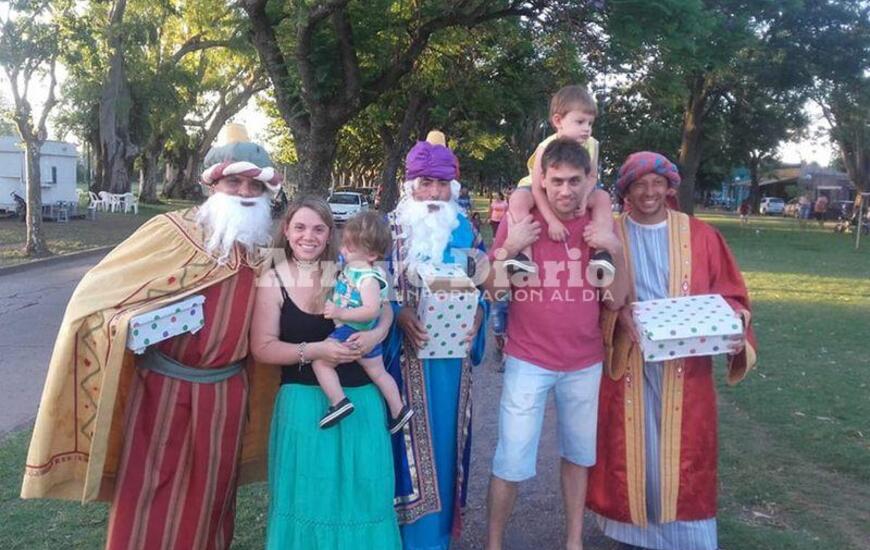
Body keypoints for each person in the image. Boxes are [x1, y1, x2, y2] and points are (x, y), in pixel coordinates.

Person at [21, 123, 282, 549]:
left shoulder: (261, 250)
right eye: (235, 180)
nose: (246, 192)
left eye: (255, 184)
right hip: (163, 389)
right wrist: (133, 326)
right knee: (150, 489)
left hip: (227, 395)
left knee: (213, 493)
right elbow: (96, 296)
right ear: (214, 183)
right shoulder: (170, 232)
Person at [587, 151, 758, 550]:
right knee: (633, 446)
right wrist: (618, 317)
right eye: (638, 185)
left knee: (685, 450)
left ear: (669, 187)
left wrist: (733, 327)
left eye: (657, 184)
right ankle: (634, 532)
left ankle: (685, 536)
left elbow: (731, 293)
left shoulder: (701, 236)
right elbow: (591, 299)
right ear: (626, 191)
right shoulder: (610, 236)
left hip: (686, 366)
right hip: (629, 360)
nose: (649, 192)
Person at [483, 137, 629, 550]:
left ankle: (574, 542)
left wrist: (614, 248)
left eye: (574, 181)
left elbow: (617, 298)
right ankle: (493, 543)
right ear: (542, 181)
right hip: (529, 359)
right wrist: (509, 247)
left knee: (579, 457)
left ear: (590, 181)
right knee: (510, 460)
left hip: (584, 361)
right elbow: (493, 292)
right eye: (557, 181)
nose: (566, 191)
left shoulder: (601, 226)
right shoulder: (523, 220)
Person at [250, 197, 401, 549]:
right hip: (303, 407)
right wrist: (315, 350)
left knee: (363, 496)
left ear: (329, 234)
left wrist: (377, 334)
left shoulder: (345, 269)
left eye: (319, 229)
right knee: (309, 498)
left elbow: (385, 309)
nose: (309, 236)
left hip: (361, 400)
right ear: (286, 231)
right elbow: (263, 348)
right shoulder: (273, 280)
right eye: (300, 227)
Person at [384, 138, 488, 550]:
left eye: (441, 184)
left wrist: (480, 312)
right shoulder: (385, 227)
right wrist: (397, 312)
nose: (433, 193)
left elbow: (482, 283)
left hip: (451, 367)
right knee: (397, 450)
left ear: (454, 188)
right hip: (398, 363)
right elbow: (358, 281)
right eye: (425, 182)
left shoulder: (466, 230)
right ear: (409, 184)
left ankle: (437, 540)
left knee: (445, 449)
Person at [313, 211, 413, 432]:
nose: (342, 251)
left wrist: (341, 312)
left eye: (349, 248)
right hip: (362, 334)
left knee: (320, 362)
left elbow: (371, 310)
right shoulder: (354, 269)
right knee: (378, 373)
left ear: (371, 255)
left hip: (350, 331)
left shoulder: (368, 279)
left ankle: (338, 401)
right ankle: (398, 410)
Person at [506, 85, 616, 279]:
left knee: (603, 198)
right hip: (538, 187)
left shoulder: (592, 144)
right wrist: (552, 221)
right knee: (518, 199)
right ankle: (524, 257)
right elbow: (538, 187)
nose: (587, 129)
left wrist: (583, 199)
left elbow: (591, 177)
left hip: (579, 189)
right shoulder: (545, 147)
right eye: (580, 122)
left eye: (590, 123)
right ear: (558, 121)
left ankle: (602, 254)